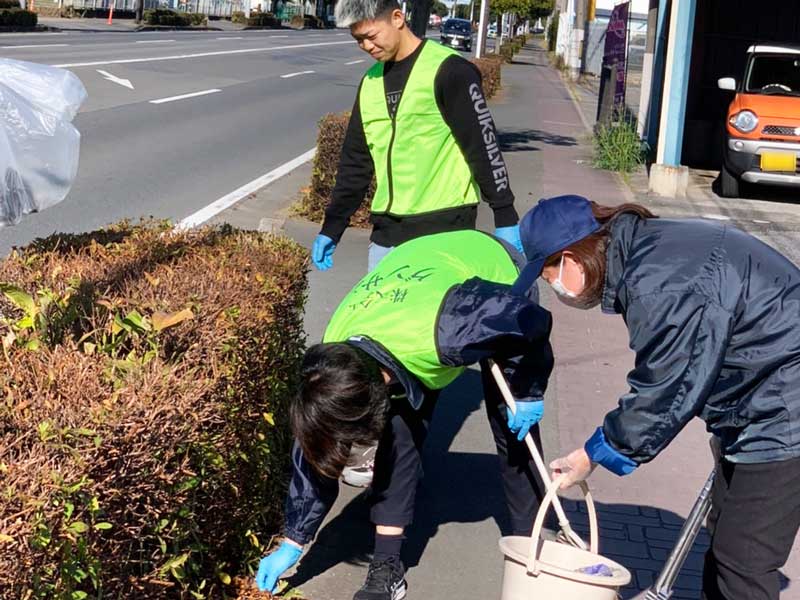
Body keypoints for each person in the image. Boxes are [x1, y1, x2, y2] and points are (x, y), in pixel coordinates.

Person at [514, 194, 800, 600]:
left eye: (549, 275)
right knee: (724, 545)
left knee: (743, 560)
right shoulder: (649, 250)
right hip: (757, 399)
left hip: (784, 408)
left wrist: (591, 454)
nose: (555, 288)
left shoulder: (659, 281)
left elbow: (666, 390)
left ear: (572, 258)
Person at [256, 230, 553, 600]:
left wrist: (526, 389)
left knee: (513, 426)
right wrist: (294, 540)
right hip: (415, 268)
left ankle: (530, 548)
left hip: (494, 279)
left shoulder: (451, 328)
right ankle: (387, 567)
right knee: (400, 430)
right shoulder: (333, 364)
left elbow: (528, 322)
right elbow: (319, 444)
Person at [312, 0, 522, 275]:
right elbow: (355, 164)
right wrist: (333, 226)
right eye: (358, 40)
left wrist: (505, 213)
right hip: (386, 236)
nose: (366, 47)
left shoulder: (450, 71)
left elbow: (483, 146)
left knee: (434, 318)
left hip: (444, 232)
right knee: (384, 317)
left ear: (397, 18)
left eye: (371, 36)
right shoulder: (370, 83)